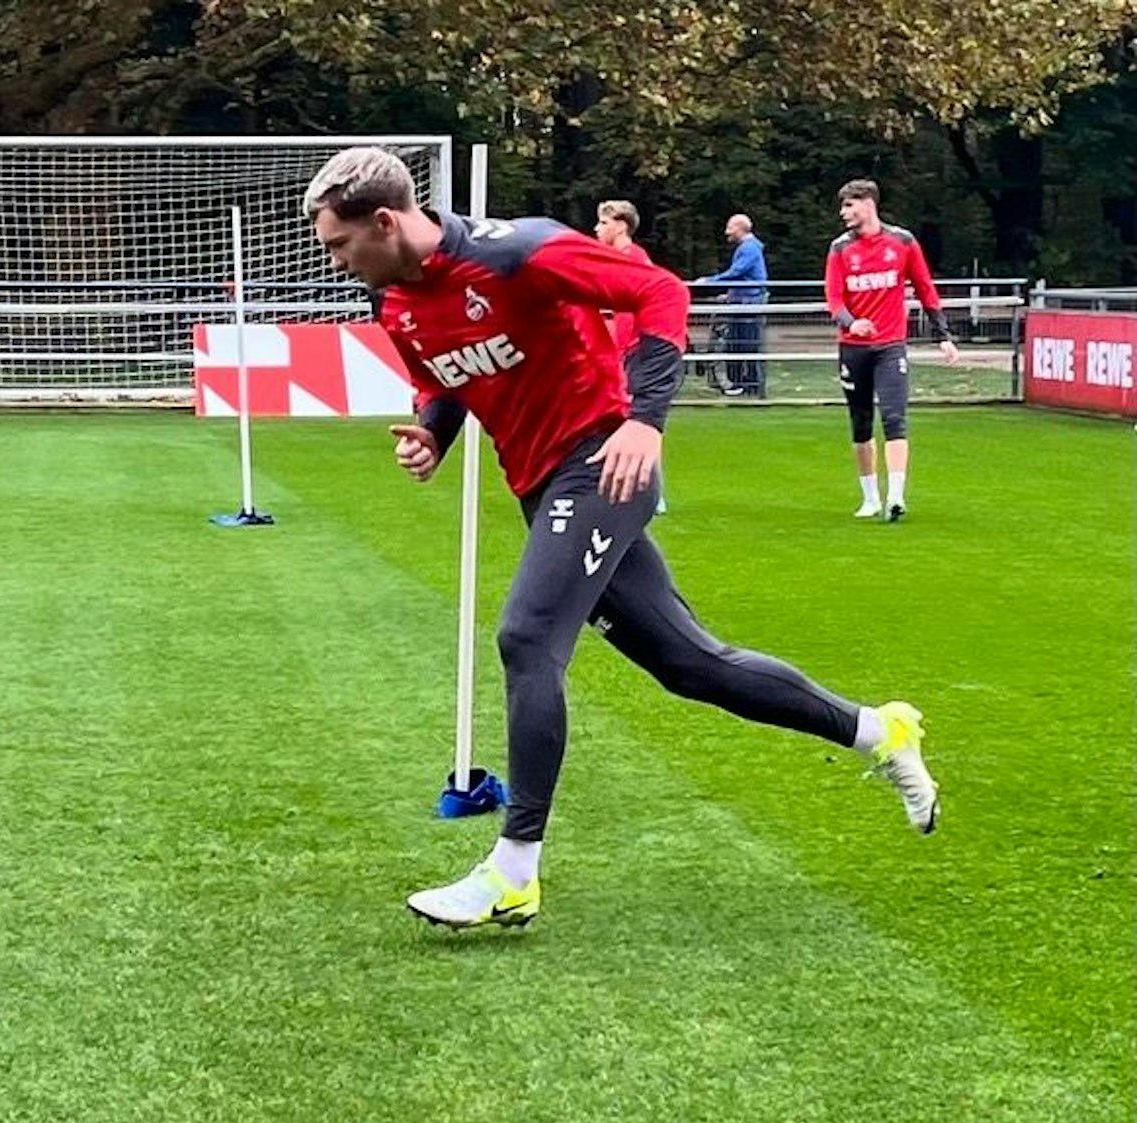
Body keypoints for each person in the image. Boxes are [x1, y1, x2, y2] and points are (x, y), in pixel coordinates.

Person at [302, 147, 938, 930]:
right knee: (692, 665)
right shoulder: (395, 303)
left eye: (339, 244)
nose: (334, 261)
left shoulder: (518, 250)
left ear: (386, 221)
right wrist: (433, 433)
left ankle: (514, 869)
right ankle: (882, 730)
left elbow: (660, 291)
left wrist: (644, 420)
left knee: (527, 638)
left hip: (602, 463)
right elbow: (445, 379)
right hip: (543, 486)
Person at [824, 180, 961, 522]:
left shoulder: (902, 242)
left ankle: (896, 497)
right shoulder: (840, 249)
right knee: (861, 424)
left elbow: (926, 288)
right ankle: (870, 497)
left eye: (848, 206)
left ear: (867, 204)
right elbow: (834, 299)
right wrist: (850, 322)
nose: (844, 214)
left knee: (895, 418)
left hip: (890, 346)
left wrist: (942, 335)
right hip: (853, 348)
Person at [593, 200, 667, 516]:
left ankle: (651, 492)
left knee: (642, 421)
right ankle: (623, 485)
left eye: (603, 223)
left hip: (640, 351)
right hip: (622, 352)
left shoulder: (634, 261)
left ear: (621, 225)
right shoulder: (612, 260)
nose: (597, 229)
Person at [695, 214, 768, 396]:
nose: (727, 232)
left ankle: (747, 384)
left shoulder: (749, 248)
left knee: (745, 344)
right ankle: (744, 383)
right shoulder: (749, 247)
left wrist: (709, 281)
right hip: (743, 301)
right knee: (739, 343)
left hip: (748, 304)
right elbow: (745, 276)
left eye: (730, 228)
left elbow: (737, 272)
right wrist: (730, 294)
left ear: (740, 228)